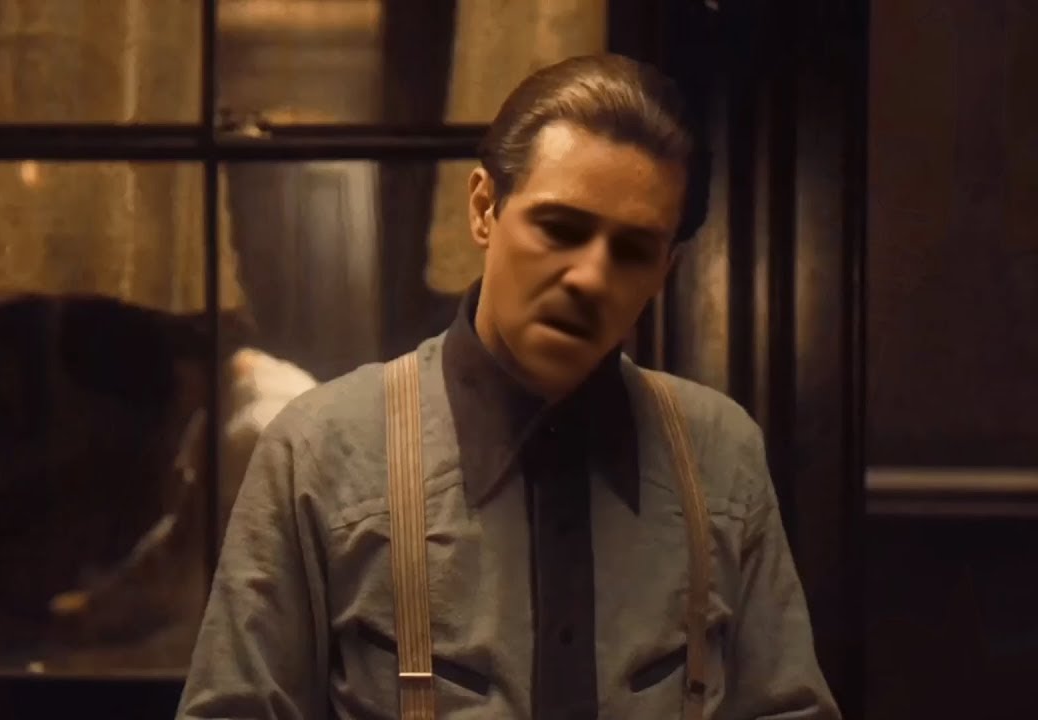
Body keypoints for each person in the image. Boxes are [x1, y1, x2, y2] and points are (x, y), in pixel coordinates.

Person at [177, 54, 840, 719]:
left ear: (665, 271)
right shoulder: (318, 452)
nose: (590, 278)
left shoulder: (721, 455)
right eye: (561, 228)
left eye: (633, 250)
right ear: (484, 209)